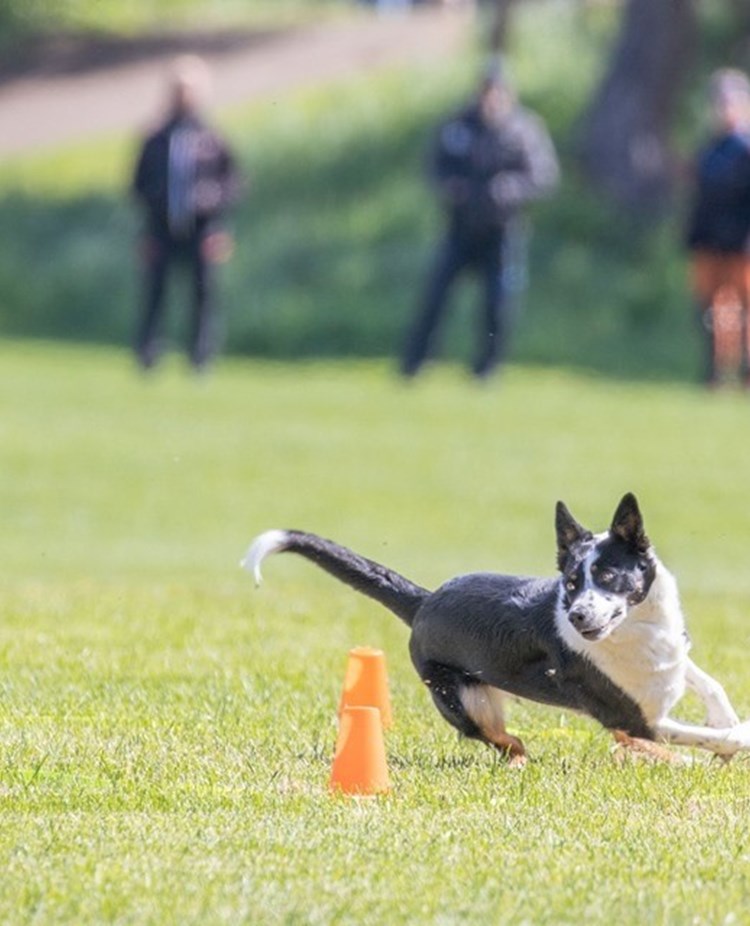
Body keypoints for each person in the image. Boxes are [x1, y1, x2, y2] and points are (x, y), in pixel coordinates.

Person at [400, 64, 559, 379]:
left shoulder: (523, 130)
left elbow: (543, 175)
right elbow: (435, 167)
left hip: (502, 230)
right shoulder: (458, 126)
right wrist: (453, 187)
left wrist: (510, 189)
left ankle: (487, 368)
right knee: (435, 297)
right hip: (459, 228)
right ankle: (414, 363)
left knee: (497, 306)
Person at [132, 55, 240, 372]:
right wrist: (147, 228)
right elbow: (138, 185)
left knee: (203, 296)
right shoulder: (155, 139)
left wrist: (216, 219)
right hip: (161, 227)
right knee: (155, 294)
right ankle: (148, 355)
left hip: (202, 229)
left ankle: (200, 358)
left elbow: (232, 183)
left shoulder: (213, 138)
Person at [686, 68, 750, 388]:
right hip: (711, 241)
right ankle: (716, 374)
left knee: (744, 312)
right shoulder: (710, 149)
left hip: (741, 243)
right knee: (712, 312)